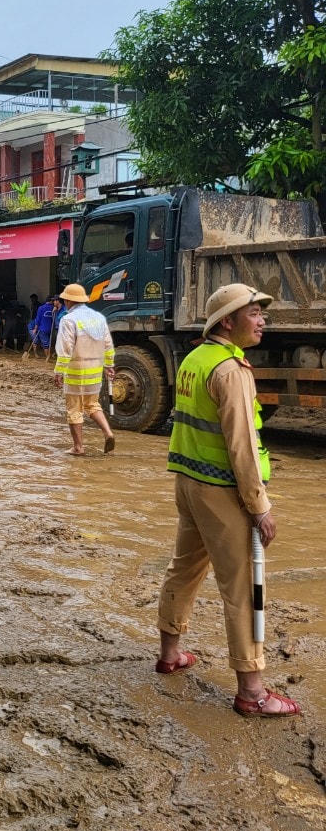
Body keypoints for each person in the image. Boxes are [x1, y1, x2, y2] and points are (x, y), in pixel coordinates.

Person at [156, 284, 301, 718]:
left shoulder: (195, 358)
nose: (261, 322)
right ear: (227, 322)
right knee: (245, 589)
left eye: (261, 314)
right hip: (222, 493)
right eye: (253, 314)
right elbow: (241, 447)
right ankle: (253, 692)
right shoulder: (231, 371)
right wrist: (260, 506)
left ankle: (170, 654)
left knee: (183, 569)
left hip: (188, 484)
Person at [53, 283, 116, 456]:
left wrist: (59, 371)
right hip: (95, 371)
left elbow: (66, 348)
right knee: (92, 404)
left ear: (68, 301)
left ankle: (78, 447)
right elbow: (108, 345)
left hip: (76, 370)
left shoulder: (68, 320)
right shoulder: (99, 318)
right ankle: (108, 432)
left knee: (74, 409)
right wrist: (109, 365)